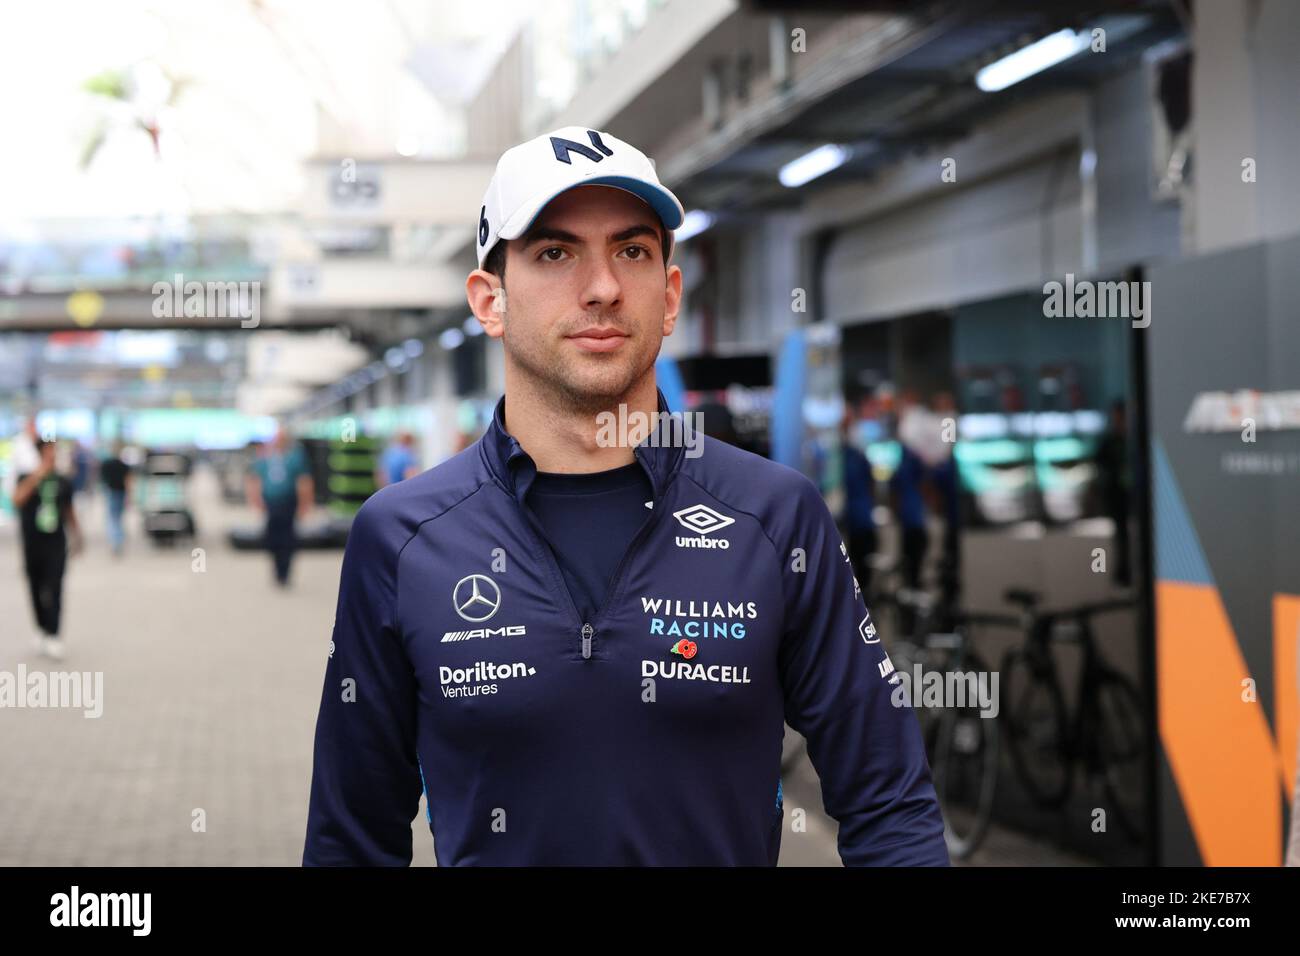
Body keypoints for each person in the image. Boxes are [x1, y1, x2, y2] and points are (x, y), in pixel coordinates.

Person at [303, 126, 949, 867]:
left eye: (633, 251)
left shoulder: (776, 518)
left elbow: (890, 805)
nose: (603, 287)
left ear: (669, 295)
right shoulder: (402, 537)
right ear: (490, 300)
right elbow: (351, 840)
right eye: (554, 253)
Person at [13, 439, 82, 659]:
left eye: (55, 451)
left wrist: (78, 535)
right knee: (35, 588)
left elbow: (70, 510)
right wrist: (37, 476)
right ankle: (42, 628)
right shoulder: (27, 477)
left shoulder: (63, 481)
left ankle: (54, 633)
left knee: (55, 587)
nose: (53, 455)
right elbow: (17, 499)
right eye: (49, 451)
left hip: (55, 542)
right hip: (32, 543)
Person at [245, 429, 314, 587]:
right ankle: (276, 567)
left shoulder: (295, 457)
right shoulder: (264, 458)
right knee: (271, 537)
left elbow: (304, 481)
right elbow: (254, 479)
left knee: (288, 538)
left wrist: (305, 505)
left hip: (288, 502)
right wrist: (255, 500)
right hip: (271, 504)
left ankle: (285, 572)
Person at [839, 409, 877, 599]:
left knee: (862, 574)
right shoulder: (838, 457)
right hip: (846, 523)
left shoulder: (855, 456)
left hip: (860, 522)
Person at [100, 441, 133, 556]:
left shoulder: (107, 464)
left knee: (113, 519)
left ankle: (116, 541)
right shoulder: (124, 465)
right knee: (118, 518)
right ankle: (118, 540)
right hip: (120, 493)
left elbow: (103, 479)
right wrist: (129, 496)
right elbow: (128, 481)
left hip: (112, 492)